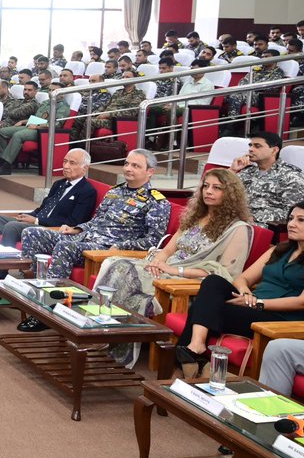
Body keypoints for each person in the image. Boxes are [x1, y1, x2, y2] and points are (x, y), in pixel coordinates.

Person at [95, 169, 253, 367]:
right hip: (166, 268)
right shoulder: (196, 217)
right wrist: (157, 262)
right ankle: (103, 331)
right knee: (115, 262)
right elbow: (168, 249)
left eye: (217, 188)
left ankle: (106, 336)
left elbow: (222, 274)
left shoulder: (237, 229)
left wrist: (173, 271)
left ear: (230, 193)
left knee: (124, 270)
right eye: (205, 186)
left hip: (188, 282)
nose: (208, 191)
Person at [17, 149, 170, 331]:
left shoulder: (157, 202)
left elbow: (152, 241)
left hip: (106, 249)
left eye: (135, 165)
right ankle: (31, 293)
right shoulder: (115, 192)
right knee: (32, 232)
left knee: (65, 247)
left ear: (150, 171)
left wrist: (120, 246)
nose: (128, 168)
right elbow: (96, 221)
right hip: (85, 237)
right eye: (127, 164)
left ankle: (49, 308)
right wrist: (77, 228)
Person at [175, 202, 304, 376]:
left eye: (300, 220)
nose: (291, 224)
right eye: (291, 218)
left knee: (201, 308)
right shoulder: (279, 250)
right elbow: (243, 278)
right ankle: (196, 346)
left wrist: (258, 303)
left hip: (277, 318)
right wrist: (246, 293)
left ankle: (185, 360)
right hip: (251, 304)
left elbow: (300, 302)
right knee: (213, 281)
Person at [0, 148, 95, 247]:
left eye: (72, 163)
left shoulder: (87, 191)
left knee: (12, 226)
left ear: (85, 168)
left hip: (53, 229)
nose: (65, 166)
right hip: (37, 222)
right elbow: (43, 209)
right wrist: (30, 215)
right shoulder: (59, 184)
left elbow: (73, 223)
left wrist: (36, 220)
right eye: (65, 162)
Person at [230, 131, 304, 228]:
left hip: (262, 226)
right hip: (236, 220)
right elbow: (222, 192)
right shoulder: (248, 171)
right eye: (250, 145)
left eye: (257, 146)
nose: (251, 149)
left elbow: (292, 213)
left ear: (274, 150)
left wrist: (254, 216)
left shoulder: (291, 176)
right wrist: (232, 170)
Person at [0, 85, 70, 174]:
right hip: (33, 126)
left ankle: (6, 165)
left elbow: (56, 124)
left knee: (18, 135)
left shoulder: (63, 107)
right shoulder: (46, 103)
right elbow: (37, 117)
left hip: (44, 131)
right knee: (1, 132)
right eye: (50, 89)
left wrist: (37, 126)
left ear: (62, 93)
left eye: (54, 90)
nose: (51, 92)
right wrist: (23, 121)